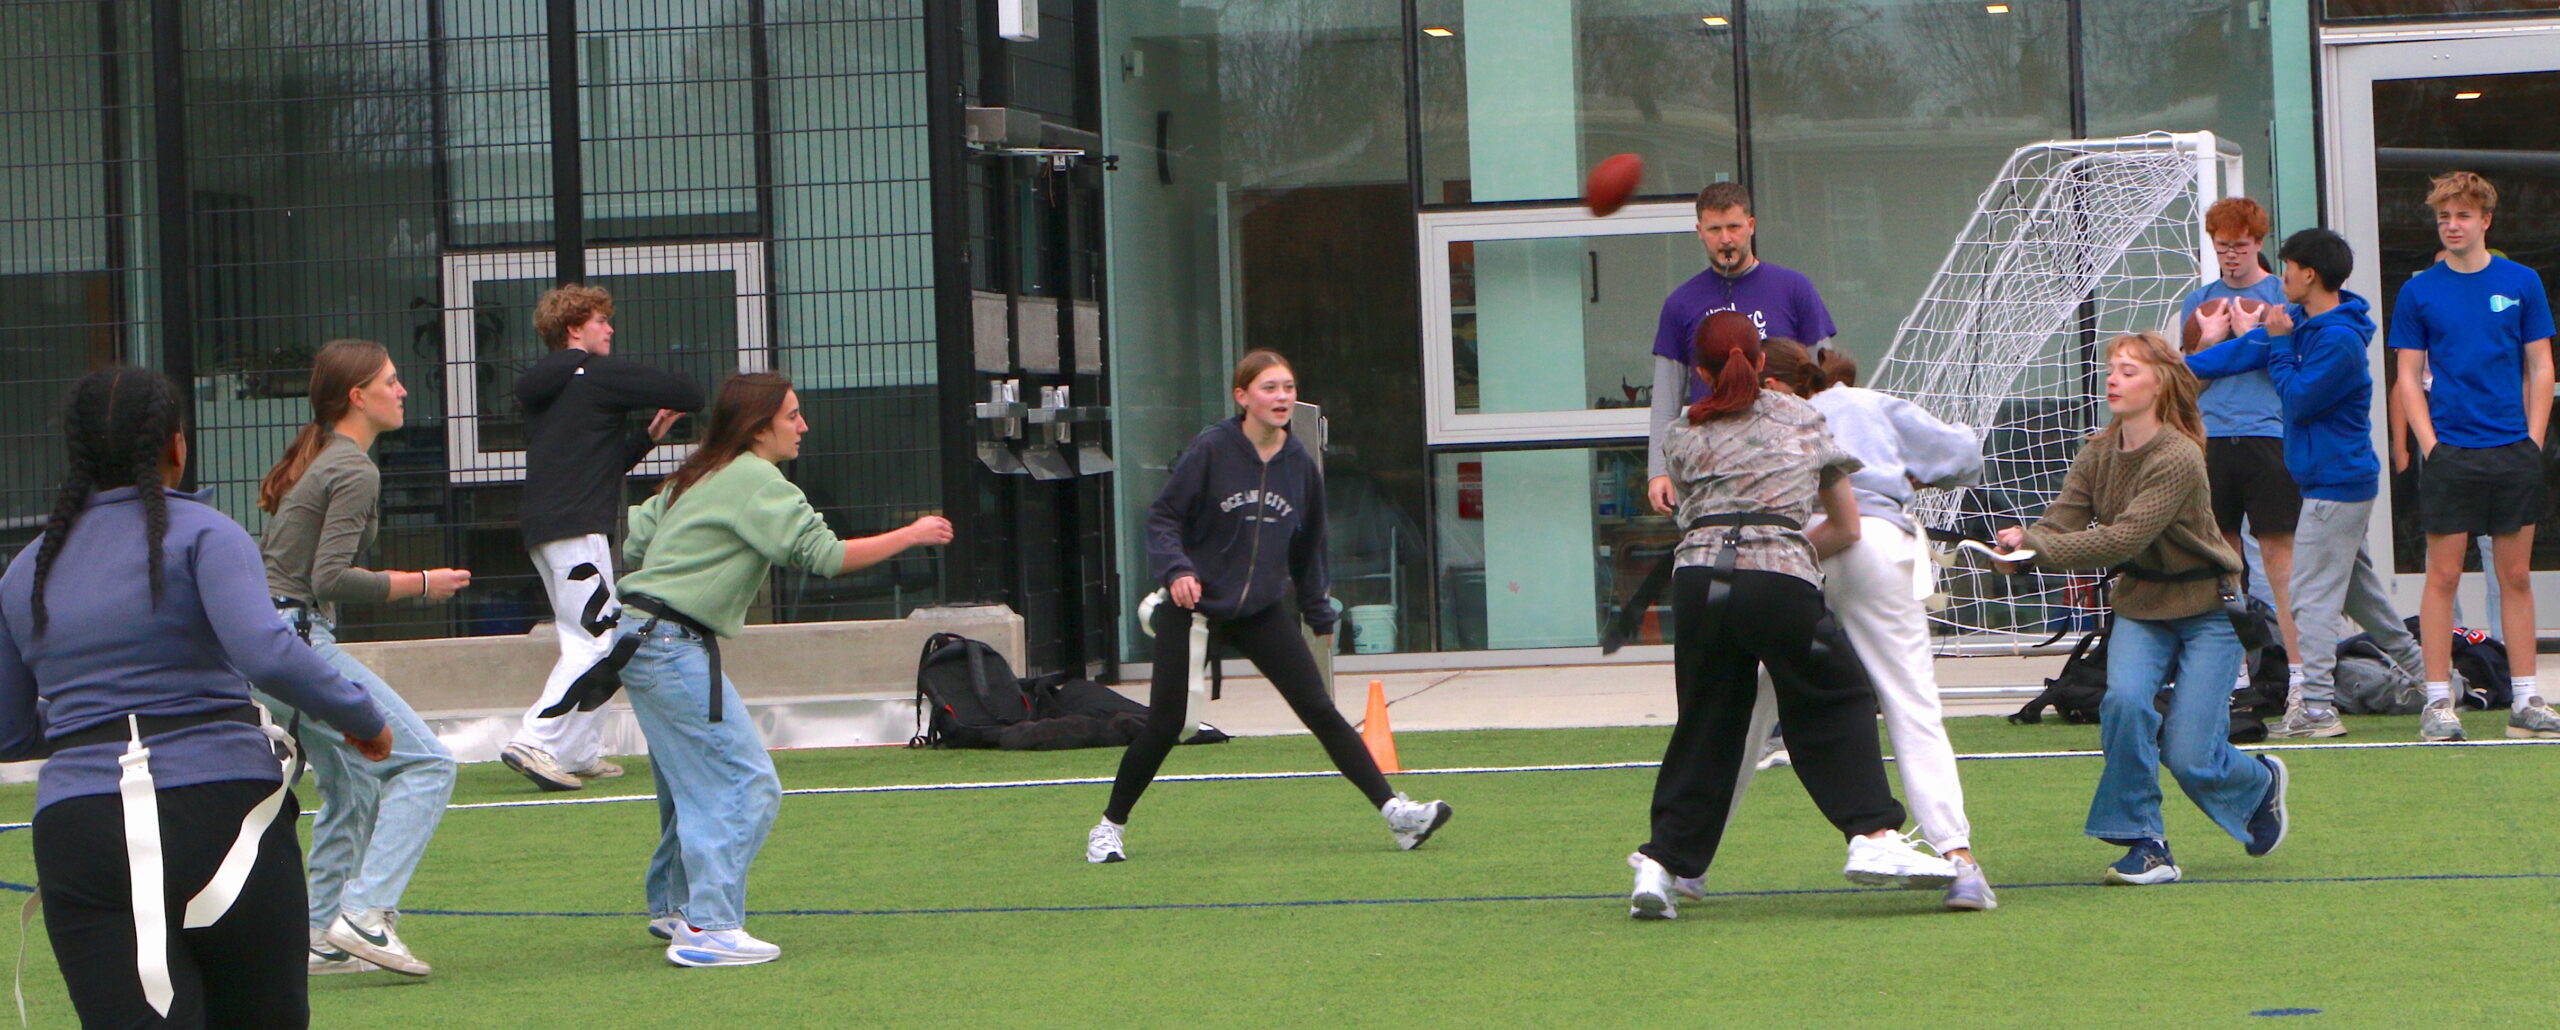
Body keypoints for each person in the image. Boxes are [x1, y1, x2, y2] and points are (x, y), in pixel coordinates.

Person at [0, 366, 389, 1028]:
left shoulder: (23, 570)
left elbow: (9, 733)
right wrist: (362, 717)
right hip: (222, 810)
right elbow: (266, 651)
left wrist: (92, 726)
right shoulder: (206, 533)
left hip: (83, 826)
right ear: (175, 445)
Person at [595, 372, 949, 967]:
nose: (803, 425)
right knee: (746, 783)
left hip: (640, 639)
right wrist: (912, 534)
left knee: (691, 786)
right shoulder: (758, 480)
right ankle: (709, 930)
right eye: (792, 415)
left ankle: (678, 909)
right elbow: (826, 556)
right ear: (759, 428)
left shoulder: (696, 475)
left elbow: (636, 545)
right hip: (672, 644)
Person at [1626, 313, 1956, 921]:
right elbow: (1843, 521)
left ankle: (1662, 863)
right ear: (1760, 363)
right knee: (1836, 698)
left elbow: (1698, 512)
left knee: (1707, 723)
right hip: (1776, 575)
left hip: (1697, 582)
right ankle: (1874, 837)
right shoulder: (1805, 417)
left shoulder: (1680, 434)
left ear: (1699, 372)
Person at [1091, 350, 1452, 865]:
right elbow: (1163, 518)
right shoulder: (1212, 449)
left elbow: (1309, 547)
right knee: (1167, 724)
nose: (1281, 397)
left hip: (1259, 610)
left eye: (1287, 387)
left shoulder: (1299, 464)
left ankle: (1398, 815)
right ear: (1242, 398)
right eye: (1269, 388)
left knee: (1321, 712)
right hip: (1193, 608)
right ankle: (1109, 828)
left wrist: (1316, 609)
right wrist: (1178, 571)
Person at [1995, 332, 2289, 885]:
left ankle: (2258, 784)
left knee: (2189, 754)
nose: (2114, 379)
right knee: (2125, 705)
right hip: (2140, 604)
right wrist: (2022, 546)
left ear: (2161, 383)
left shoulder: (2178, 455)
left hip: (2210, 609)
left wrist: (2039, 549)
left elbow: (2122, 539)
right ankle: (2146, 844)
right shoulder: (2096, 453)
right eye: (2112, 369)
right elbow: (2062, 521)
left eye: (2129, 370)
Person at [254, 339, 464, 977]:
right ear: (357, 396)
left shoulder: (326, 459)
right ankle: (365, 916)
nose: (403, 391)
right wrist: (419, 583)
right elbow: (329, 578)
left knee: (353, 787)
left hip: (274, 640)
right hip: (295, 639)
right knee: (427, 764)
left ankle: (320, 938)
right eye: (392, 381)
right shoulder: (352, 468)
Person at [1769, 343, 1999, 911]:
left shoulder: (1766, 414)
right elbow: (1964, 454)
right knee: (1910, 704)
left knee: (1749, 706)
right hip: (1876, 542)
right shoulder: (1872, 404)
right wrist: (1908, 472)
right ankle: (1959, 859)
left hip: (1797, 551)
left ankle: (1679, 866)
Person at [2186, 229, 2425, 738]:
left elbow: (2296, 398)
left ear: (2309, 275)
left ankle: (2316, 707)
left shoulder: (2337, 339)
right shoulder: (2296, 320)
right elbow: (2241, 352)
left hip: (2338, 486)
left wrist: (2277, 343)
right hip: (2323, 482)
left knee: (2309, 598)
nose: (2283, 277)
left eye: (2289, 268)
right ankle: (2435, 681)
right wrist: (2172, 370)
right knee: (2363, 598)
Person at [504, 284, 706, 791]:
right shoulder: (596, 374)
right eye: (601, 321)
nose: (610, 329)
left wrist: (647, 437)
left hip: (551, 528)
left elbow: (599, 465)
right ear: (575, 329)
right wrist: (591, 364)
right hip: (575, 530)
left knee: (597, 636)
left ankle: (576, 750)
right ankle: (536, 739)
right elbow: (690, 393)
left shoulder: (558, 390)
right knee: (598, 639)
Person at [2389, 171, 2558, 742]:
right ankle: (2438, 703)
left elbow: (2541, 366)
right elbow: (2407, 376)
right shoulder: (2419, 291)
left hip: (2513, 450)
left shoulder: (2523, 281)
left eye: (2462, 215)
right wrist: (2430, 444)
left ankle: (2527, 697)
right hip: (2451, 452)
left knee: (2514, 575)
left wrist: (2532, 440)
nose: (2452, 225)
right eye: (2444, 216)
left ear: (2485, 220)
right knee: (2442, 575)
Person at [2181, 197, 2305, 690]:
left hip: (2270, 435)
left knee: (2280, 561)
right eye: (2222, 246)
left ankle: (2298, 677)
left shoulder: (2283, 295)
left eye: (2240, 246)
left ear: (2259, 243)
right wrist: (2212, 343)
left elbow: (2295, 375)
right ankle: (2230, 676)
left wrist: (2260, 339)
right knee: (2222, 561)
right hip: (2214, 438)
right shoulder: (2201, 300)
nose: (2231, 256)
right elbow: (2190, 383)